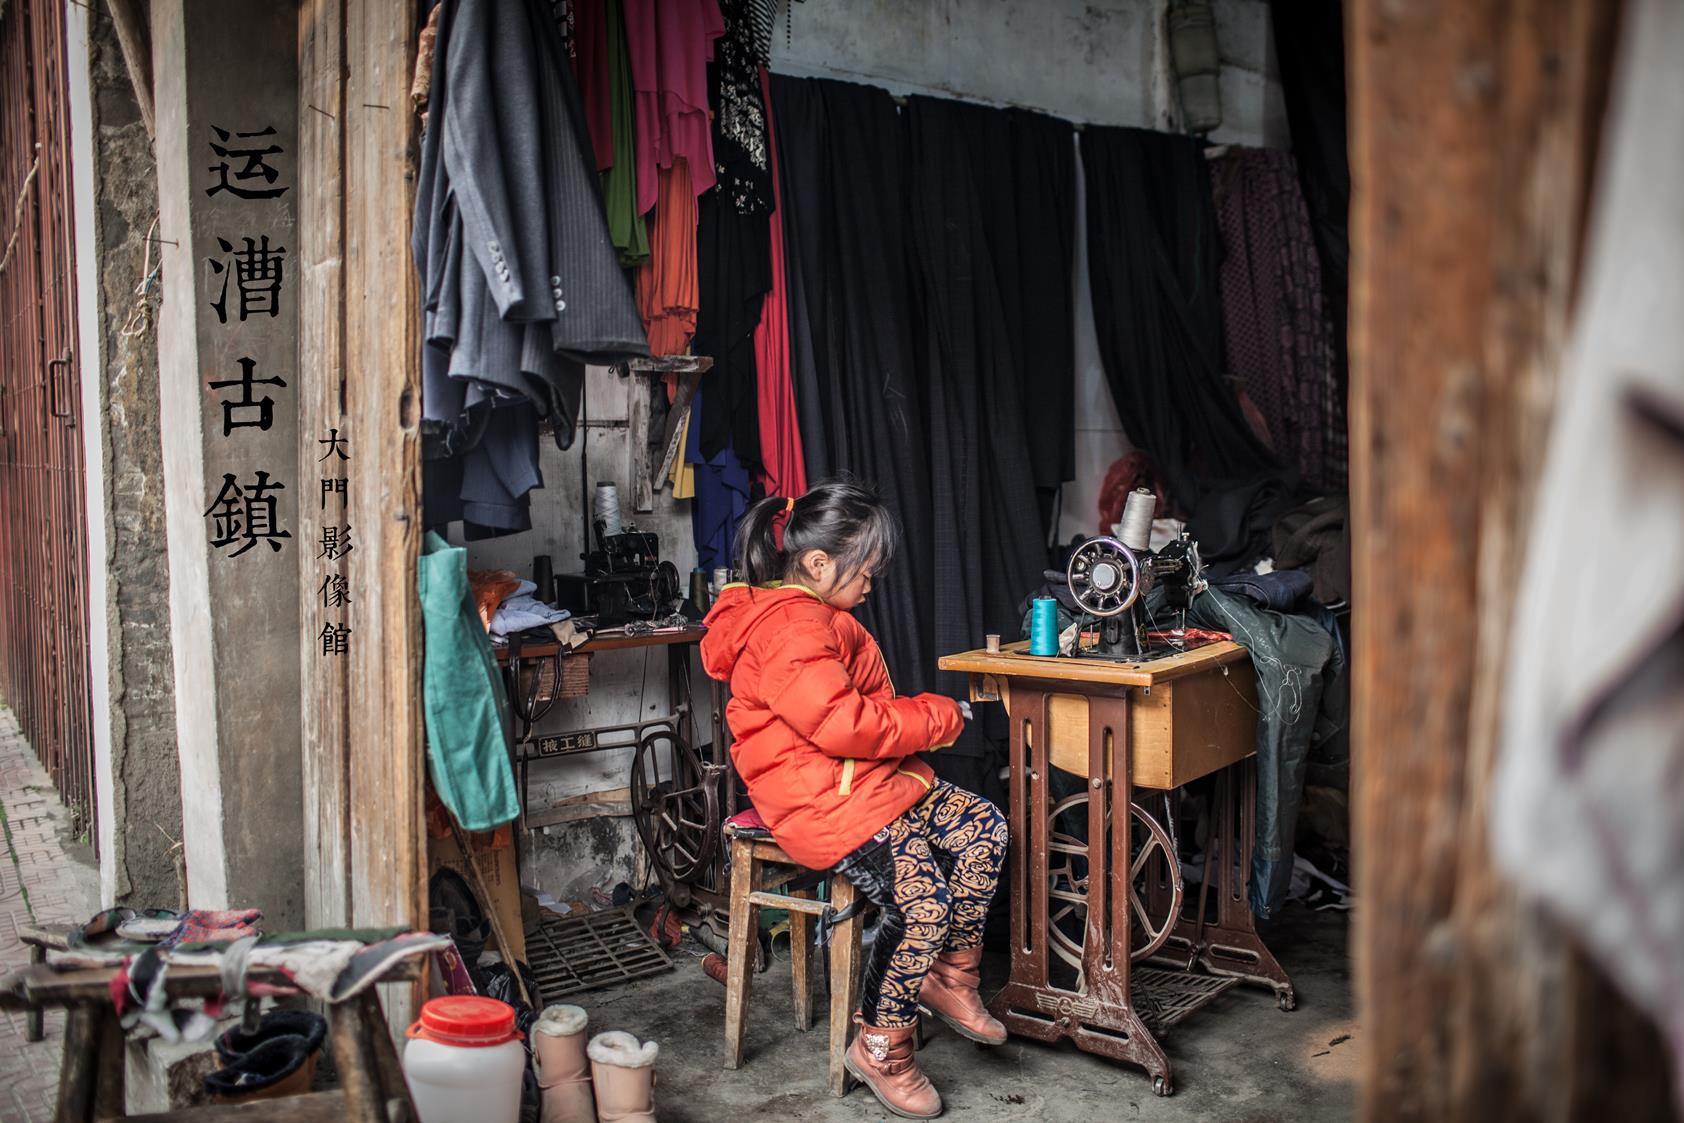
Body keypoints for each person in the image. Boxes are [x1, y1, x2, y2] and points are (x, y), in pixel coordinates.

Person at [700, 478, 1010, 1119]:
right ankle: (881, 1047)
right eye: (866, 570)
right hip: (822, 802)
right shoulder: (790, 629)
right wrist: (937, 716)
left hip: (855, 781)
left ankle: (949, 976)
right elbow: (845, 725)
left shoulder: (813, 618)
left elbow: (849, 724)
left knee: (983, 825)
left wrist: (920, 722)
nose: (872, 582)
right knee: (923, 901)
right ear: (818, 564)